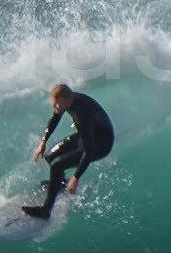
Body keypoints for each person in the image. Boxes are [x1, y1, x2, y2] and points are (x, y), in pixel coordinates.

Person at [26, 82, 113, 218]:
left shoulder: (82, 114)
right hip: (86, 136)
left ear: (63, 100)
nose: (54, 108)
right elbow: (55, 117)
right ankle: (60, 184)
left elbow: (89, 151)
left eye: (56, 105)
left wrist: (76, 178)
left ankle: (46, 210)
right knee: (49, 156)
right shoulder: (69, 100)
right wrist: (43, 142)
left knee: (57, 165)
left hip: (100, 145)